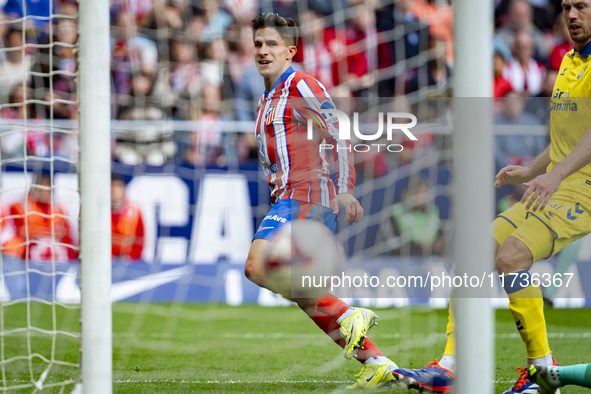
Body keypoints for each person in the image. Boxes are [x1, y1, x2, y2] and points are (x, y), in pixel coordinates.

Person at [394, 1, 591, 392]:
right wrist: (533, 171)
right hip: (558, 182)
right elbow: (567, 139)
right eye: (567, 6)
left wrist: (554, 176)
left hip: (583, 191)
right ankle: (451, 364)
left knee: (511, 256)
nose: (572, 14)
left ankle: (540, 372)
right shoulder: (569, 60)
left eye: (582, 7)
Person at [243, 13, 400, 389]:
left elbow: (339, 132)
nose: (263, 51)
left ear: (290, 51)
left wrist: (345, 187)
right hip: (290, 196)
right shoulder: (267, 98)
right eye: (258, 44)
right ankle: (377, 361)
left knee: (257, 266)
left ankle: (349, 313)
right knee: (306, 295)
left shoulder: (301, 85)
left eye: (272, 45)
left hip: (308, 194)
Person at [3, 172, 78, 262]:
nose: (44, 192)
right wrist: (45, 233)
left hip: (54, 252)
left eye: (47, 189)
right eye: (40, 188)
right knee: (11, 247)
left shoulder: (58, 208)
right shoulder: (19, 206)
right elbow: (18, 231)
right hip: (27, 252)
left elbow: (66, 234)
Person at [111, 175, 145, 261]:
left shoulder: (135, 210)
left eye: (118, 186)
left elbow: (140, 238)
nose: (114, 190)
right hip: (104, 260)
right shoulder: (96, 211)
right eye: (111, 186)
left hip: (129, 261)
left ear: (124, 188)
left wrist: (132, 257)